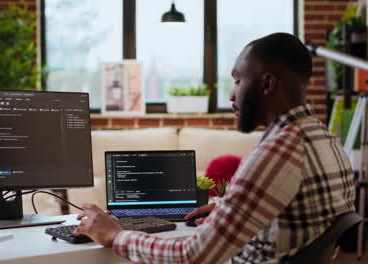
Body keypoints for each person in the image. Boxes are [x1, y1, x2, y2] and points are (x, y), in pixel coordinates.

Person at [73, 33, 356, 264]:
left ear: (267, 83)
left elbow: (192, 256)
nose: (232, 95)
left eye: (237, 80)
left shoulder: (279, 151)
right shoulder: (327, 141)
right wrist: (226, 209)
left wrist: (114, 234)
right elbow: (296, 220)